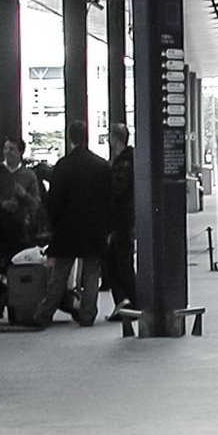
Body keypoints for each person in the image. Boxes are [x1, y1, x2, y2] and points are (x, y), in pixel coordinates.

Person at [44, 120, 112, 327]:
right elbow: (108, 199)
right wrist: (107, 226)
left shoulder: (63, 166)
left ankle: (44, 313)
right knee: (91, 273)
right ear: (86, 136)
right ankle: (87, 314)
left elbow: (54, 200)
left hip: (67, 228)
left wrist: (53, 225)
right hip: (93, 228)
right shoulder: (101, 166)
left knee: (60, 274)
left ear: (70, 137)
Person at [0, 136, 45, 318]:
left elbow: (35, 204)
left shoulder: (28, 176)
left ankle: (10, 301)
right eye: (6, 148)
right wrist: (1, 204)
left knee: (14, 265)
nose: (7, 152)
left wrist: (22, 195)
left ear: (20, 153)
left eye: (12, 149)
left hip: (17, 228)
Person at [103, 122, 136, 311]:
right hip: (126, 218)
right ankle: (125, 301)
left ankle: (128, 300)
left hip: (120, 219)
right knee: (119, 261)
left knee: (119, 261)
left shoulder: (123, 162)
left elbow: (117, 190)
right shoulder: (129, 159)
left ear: (114, 139)